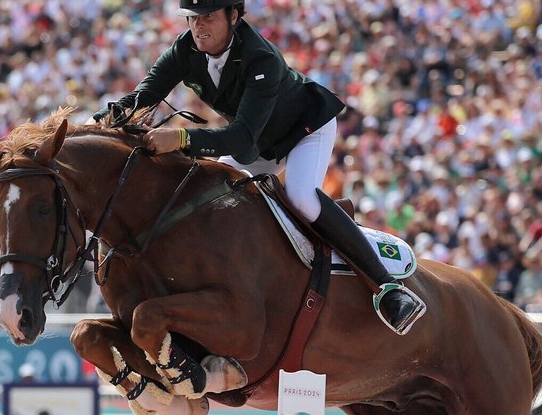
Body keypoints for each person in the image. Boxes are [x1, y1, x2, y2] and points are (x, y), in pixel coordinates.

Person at [90, 0, 425, 335]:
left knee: (301, 197)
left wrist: (180, 138)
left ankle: (387, 287)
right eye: (192, 18)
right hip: (260, 139)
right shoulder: (185, 49)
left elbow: (241, 140)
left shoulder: (259, 56)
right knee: (208, 195)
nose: (198, 26)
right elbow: (143, 96)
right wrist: (99, 125)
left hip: (305, 129)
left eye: (207, 17)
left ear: (233, 16)